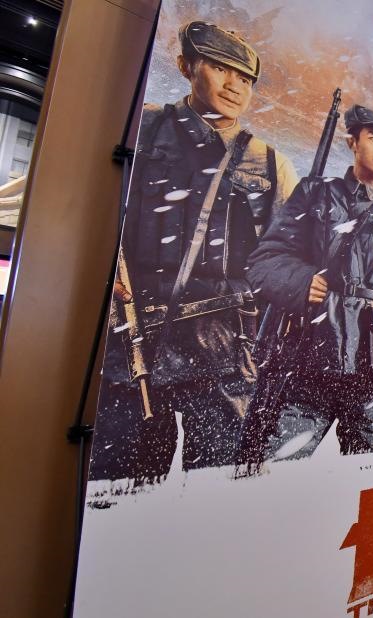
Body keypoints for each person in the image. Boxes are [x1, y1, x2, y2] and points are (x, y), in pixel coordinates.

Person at [92, 20, 297, 484]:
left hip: (225, 345)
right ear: (187, 66)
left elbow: (285, 255)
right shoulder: (142, 129)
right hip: (136, 339)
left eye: (245, 78)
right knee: (117, 486)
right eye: (220, 68)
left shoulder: (269, 163)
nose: (234, 86)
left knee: (214, 488)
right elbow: (89, 208)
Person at [241, 104, 373, 461]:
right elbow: (264, 260)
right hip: (313, 355)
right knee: (280, 466)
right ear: (353, 142)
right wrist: (301, 281)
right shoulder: (315, 193)